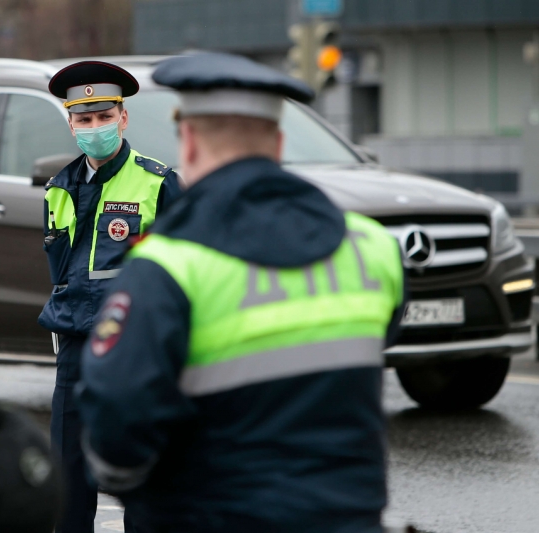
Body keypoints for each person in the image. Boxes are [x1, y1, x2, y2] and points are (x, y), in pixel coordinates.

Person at [77, 52, 406, 533]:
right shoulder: (371, 246)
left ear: (187, 140)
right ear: (278, 143)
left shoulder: (169, 267)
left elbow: (116, 426)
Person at [39, 60, 182, 533]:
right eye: (84, 119)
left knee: (142, 488)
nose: (94, 127)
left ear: (123, 117)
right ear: (71, 123)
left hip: (135, 352)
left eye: (104, 116)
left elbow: (182, 277)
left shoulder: (159, 183)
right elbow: (62, 276)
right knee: (68, 490)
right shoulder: (57, 189)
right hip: (75, 354)